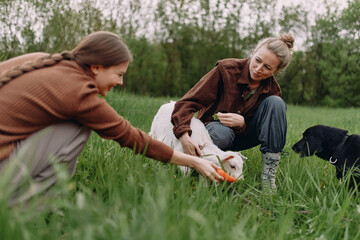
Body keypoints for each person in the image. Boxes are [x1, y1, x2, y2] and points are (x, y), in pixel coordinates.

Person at [0, 31, 223, 204]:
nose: (120, 82)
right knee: (77, 128)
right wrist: (194, 161)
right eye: (119, 74)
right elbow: (132, 138)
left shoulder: (42, 60)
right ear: (96, 67)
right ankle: (28, 206)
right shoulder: (78, 92)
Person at [171, 33, 294, 191]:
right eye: (257, 60)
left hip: (244, 136)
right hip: (213, 132)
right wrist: (183, 135)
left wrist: (243, 123)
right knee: (222, 133)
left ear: (276, 71)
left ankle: (268, 178)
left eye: (267, 67)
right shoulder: (226, 69)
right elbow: (186, 103)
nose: (258, 69)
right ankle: (199, 171)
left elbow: (264, 126)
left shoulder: (273, 90)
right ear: (253, 53)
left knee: (277, 103)